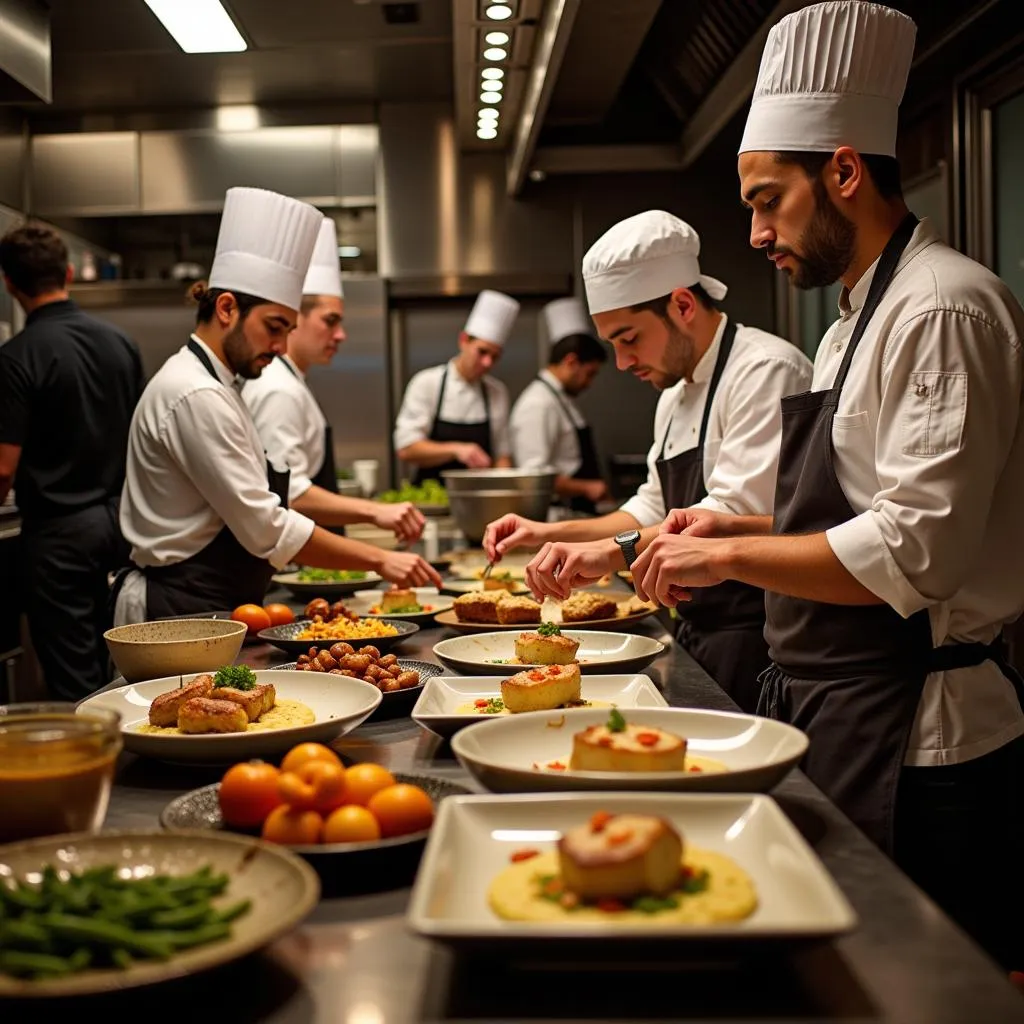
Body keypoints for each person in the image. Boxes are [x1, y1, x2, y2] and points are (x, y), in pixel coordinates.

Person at [563, 1, 1024, 969]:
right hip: (844, 702)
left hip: (927, 733)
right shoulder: (848, 324)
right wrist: (735, 517)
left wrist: (725, 547)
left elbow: (912, 553)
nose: (756, 232)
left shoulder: (942, 306)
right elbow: (850, 509)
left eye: (768, 199)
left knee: (927, 983)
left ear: (843, 171)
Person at [485, 212, 811, 711]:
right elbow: (649, 508)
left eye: (629, 338)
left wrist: (606, 554)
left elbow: (724, 518)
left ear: (682, 304)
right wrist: (550, 535)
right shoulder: (674, 394)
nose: (621, 363)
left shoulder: (765, 370)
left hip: (756, 636)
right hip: (695, 627)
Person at [114, 187, 440, 625]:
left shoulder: (220, 385)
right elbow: (266, 527)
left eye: (288, 329)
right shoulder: (196, 393)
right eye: (273, 327)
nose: (281, 345)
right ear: (227, 308)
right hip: (176, 608)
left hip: (208, 601)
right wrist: (380, 559)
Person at [0, 223, 144, 700]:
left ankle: (96, 770)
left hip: (60, 536)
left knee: (75, 679)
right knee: (122, 668)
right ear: (67, 272)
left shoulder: (17, 356)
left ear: (10, 283)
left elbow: (3, 467)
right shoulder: (120, 343)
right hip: (121, 526)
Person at [243, 217, 423, 544]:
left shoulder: (290, 382)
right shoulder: (277, 389)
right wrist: (374, 511)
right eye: (330, 321)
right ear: (295, 317)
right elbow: (290, 494)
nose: (341, 335)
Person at [394, 290, 519, 482]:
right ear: (463, 341)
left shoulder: (497, 392)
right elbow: (406, 449)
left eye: (495, 357)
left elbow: (503, 455)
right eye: (482, 352)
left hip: (480, 499)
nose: (487, 363)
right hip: (432, 501)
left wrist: (502, 483)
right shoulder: (427, 383)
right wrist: (457, 450)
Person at [509, 296, 609, 514]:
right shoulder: (538, 404)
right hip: (558, 513)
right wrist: (586, 487)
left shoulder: (562, 399)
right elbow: (534, 477)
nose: (589, 383)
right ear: (571, 362)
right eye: (589, 374)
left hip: (576, 511)